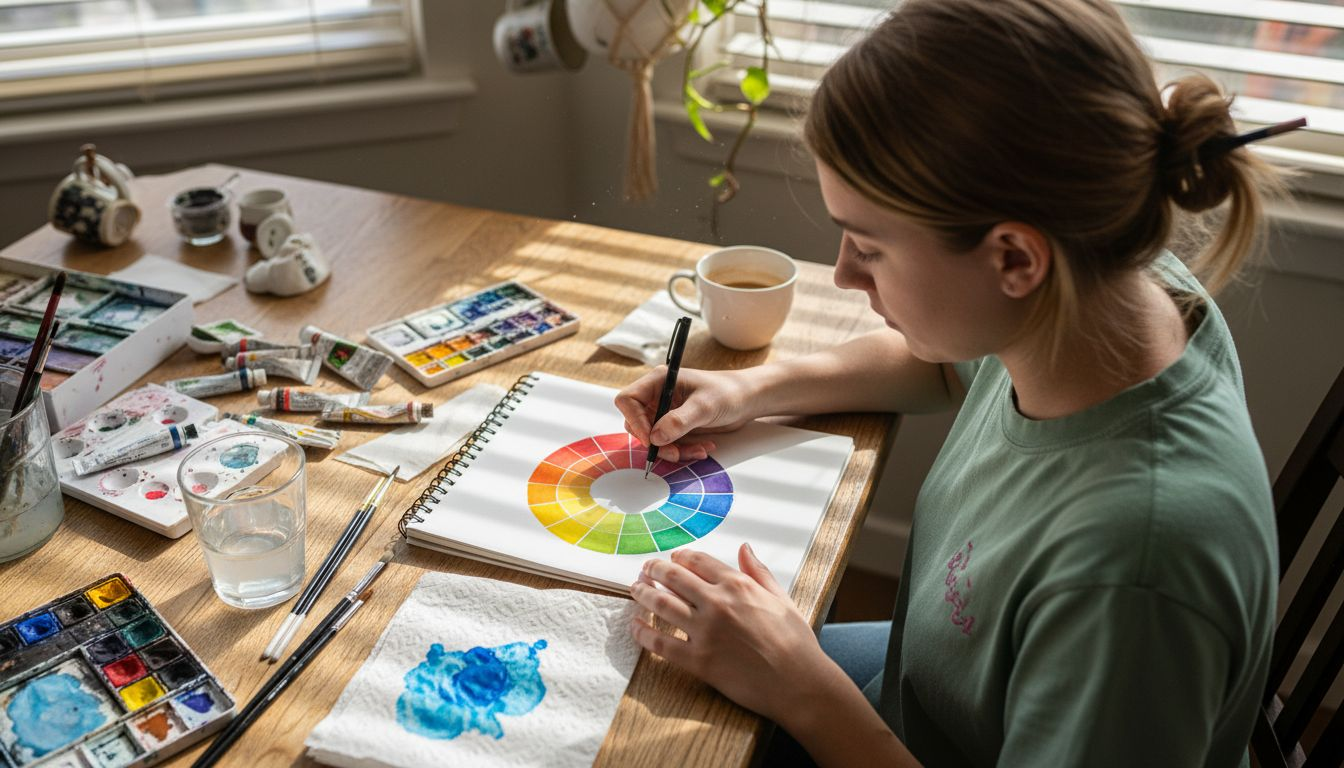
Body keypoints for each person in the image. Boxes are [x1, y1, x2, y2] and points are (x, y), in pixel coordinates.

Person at [614, 0, 1288, 765]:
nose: (840, 272)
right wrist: (751, 390)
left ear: (1014, 260)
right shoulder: (1112, 288)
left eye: (869, 247)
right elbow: (943, 359)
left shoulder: (1131, 574)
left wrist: (803, 690)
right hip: (934, 690)